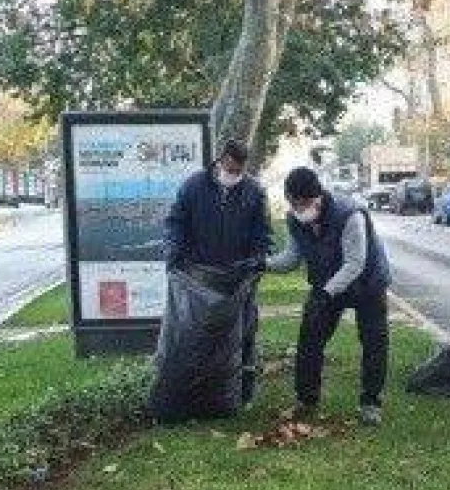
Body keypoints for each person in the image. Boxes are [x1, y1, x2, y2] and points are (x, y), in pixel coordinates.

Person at [269, 166, 392, 426]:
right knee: (309, 337)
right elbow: (292, 258)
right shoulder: (295, 220)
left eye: (303, 203)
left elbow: (355, 264)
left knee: (374, 342)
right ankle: (306, 399)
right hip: (326, 282)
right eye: (293, 203)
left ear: (317, 197)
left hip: (368, 282)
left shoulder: (350, 215)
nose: (299, 209)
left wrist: (326, 293)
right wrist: (262, 264)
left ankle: (370, 403)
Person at [162, 139, 275, 404]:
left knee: (243, 330)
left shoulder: (254, 192)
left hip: (239, 278)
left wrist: (258, 260)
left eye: (239, 171)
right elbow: (176, 224)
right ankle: (199, 390)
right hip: (201, 276)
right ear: (220, 160)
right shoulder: (193, 187)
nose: (234, 176)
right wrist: (173, 251)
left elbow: (263, 234)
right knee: (198, 331)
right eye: (230, 169)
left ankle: (241, 392)